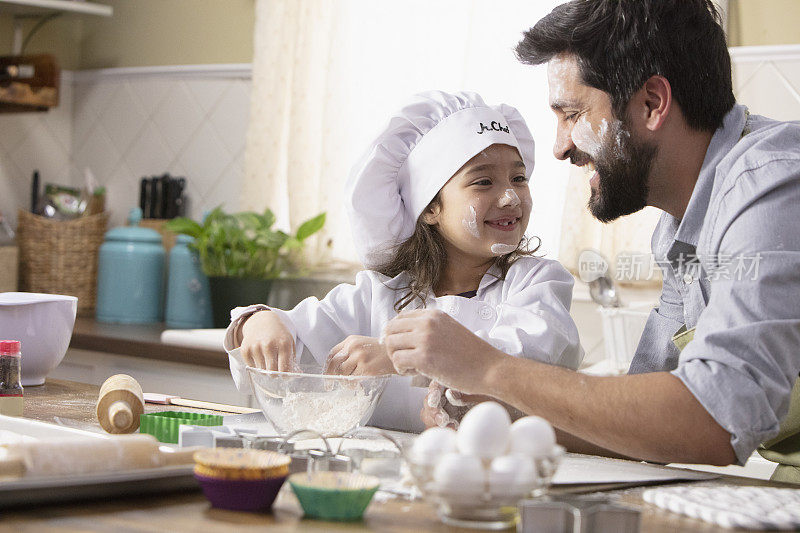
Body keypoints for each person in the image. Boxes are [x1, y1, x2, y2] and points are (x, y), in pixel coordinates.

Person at [384, 0, 800, 474]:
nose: (560, 146)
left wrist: (490, 368)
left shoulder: (770, 183)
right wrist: (492, 408)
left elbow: (717, 416)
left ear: (652, 104)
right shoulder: (680, 230)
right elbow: (647, 420)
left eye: (572, 114)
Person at [223, 91, 584, 431]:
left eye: (518, 178)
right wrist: (257, 323)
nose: (509, 197)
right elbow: (297, 343)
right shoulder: (380, 296)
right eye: (484, 182)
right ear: (429, 207)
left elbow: (527, 360)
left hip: (499, 475)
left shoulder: (538, 282)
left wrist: (399, 356)